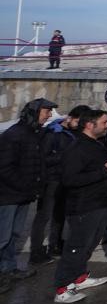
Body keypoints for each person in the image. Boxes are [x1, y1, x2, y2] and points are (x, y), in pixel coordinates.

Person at [52, 108, 107, 304]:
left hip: (101, 203)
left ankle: (79, 277)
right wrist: (104, 172)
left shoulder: (96, 144)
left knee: (88, 245)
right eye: (104, 123)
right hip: (85, 206)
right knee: (76, 246)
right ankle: (62, 287)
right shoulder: (77, 148)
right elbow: (70, 179)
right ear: (90, 125)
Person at [0, 98, 56, 289]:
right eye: (46, 112)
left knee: (14, 234)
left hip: (22, 194)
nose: (49, 116)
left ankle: (8, 268)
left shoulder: (34, 134)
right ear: (34, 112)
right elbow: (4, 168)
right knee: (3, 237)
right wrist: (25, 185)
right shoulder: (14, 135)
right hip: (8, 195)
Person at [29, 105, 81, 265]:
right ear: (70, 118)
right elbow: (43, 159)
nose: (79, 125)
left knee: (59, 215)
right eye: (77, 121)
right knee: (44, 215)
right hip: (50, 180)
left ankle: (55, 244)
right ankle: (36, 252)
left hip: (64, 180)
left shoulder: (72, 134)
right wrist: (64, 157)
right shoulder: (53, 133)